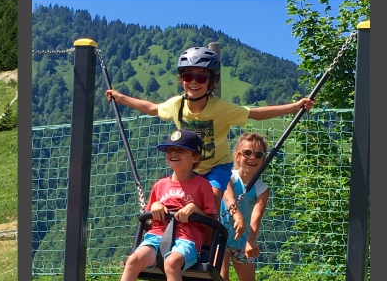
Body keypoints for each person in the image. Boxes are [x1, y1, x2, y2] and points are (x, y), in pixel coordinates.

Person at [105, 46, 314, 215]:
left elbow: (255, 113)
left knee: (212, 199)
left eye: (201, 78)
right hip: (189, 165)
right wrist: (119, 97)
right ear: (182, 80)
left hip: (217, 166)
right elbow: (151, 108)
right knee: (175, 199)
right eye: (188, 77)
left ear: (211, 82)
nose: (194, 82)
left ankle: (206, 249)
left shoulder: (221, 108)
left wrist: (294, 107)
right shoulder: (176, 105)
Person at [88, 129, 217, 281]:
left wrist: (195, 210)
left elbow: (212, 221)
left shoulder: (202, 186)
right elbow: (148, 219)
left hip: (186, 239)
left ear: (195, 157)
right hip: (158, 235)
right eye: (170, 151)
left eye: (180, 151)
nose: (173, 154)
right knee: (133, 261)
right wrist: (155, 206)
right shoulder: (160, 186)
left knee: (172, 262)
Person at [210, 132, 271, 281]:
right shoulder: (228, 176)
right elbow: (228, 198)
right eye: (247, 152)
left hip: (243, 241)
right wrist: (236, 216)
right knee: (221, 279)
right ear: (237, 155)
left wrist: (251, 240)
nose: (252, 157)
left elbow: (256, 215)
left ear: (263, 159)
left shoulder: (262, 189)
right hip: (222, 237)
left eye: (258, 154)